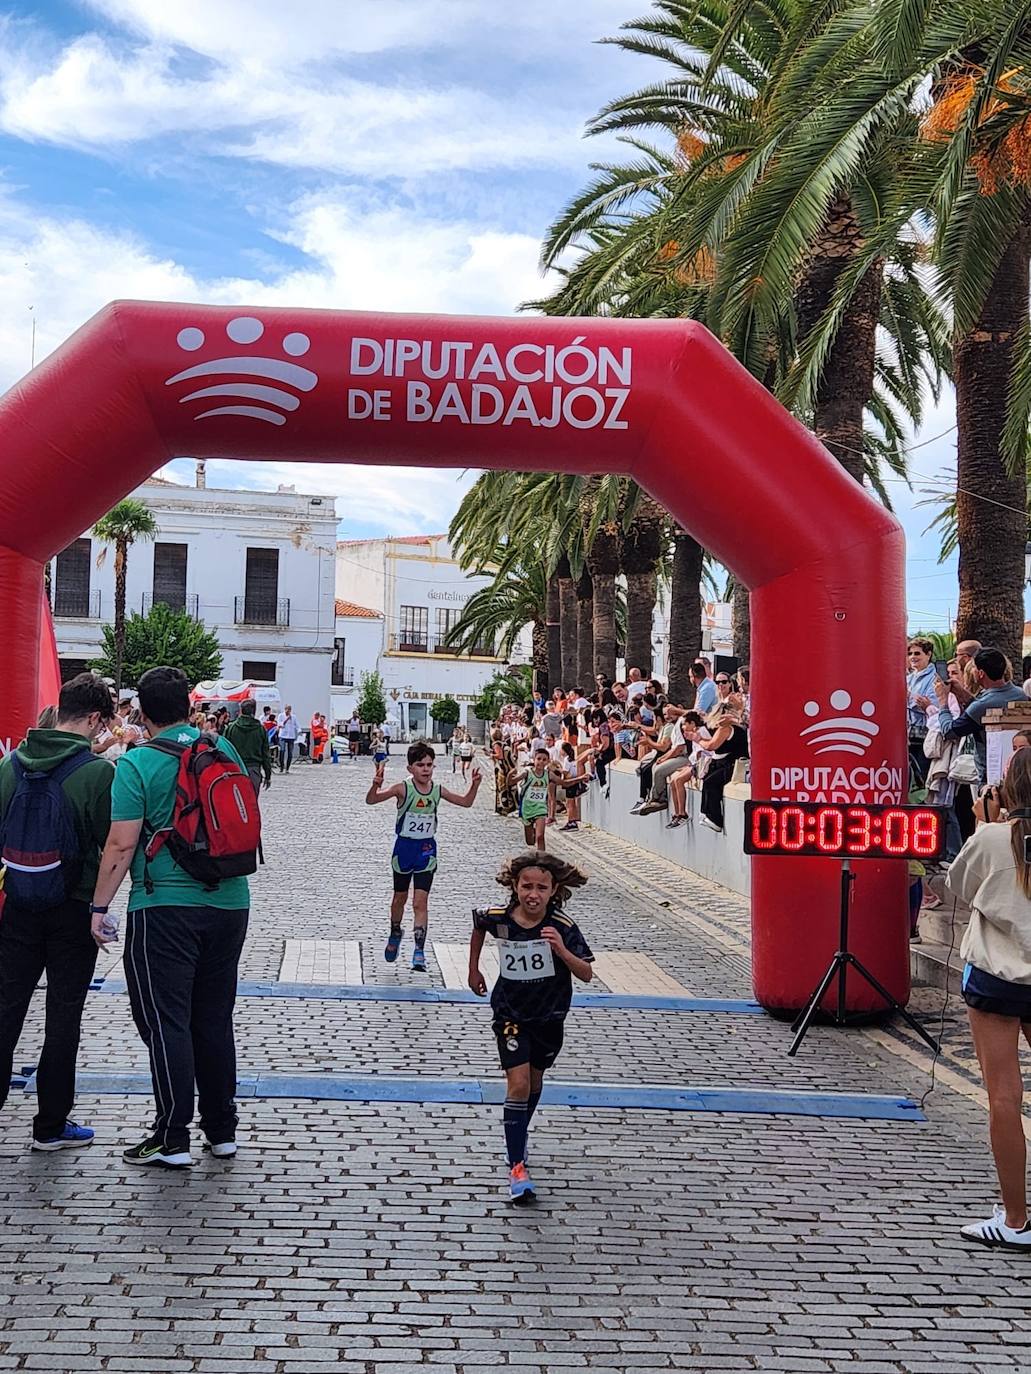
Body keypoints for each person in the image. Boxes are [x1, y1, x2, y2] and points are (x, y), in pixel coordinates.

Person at [90, 666, 251, 1168]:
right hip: (230, 902)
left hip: (164, 908)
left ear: (142, 711)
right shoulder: (221, 749)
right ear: (188, 705)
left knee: (166, 1021)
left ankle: (172, 1135)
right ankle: (221, 1129)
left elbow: (120, 844)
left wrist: (99, 908)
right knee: (213, 1016)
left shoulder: (137, 763)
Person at [0, 673, 115, 1152]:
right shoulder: (96, 772)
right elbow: (112, 843)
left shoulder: (10, 765)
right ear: (93, 719)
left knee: (5, 1012)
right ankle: (50, 1125)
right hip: (73, 910)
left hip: (18, 906)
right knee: (63, 1017)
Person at [469, 851, 594, 1203]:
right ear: (514, 886)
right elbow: (478, 924)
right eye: (526, 886)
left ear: (554, 890)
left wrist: (561, 951)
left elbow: (585, 972)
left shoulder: (563, 926)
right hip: (510, 1014)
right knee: (518, 1083)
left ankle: (518, 1132)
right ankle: (517, 1166)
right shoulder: (500, 917)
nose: (533, 894)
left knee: (534, 1082)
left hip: (549, 1017)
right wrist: (473, 969)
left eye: (541, 888)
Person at [946, 747, 1031, 1250]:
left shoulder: (994, 839)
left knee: (1003, 1097)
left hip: (998, 979)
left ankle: (1016, 1220)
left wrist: (985, 824)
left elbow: (959, 885)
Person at [366, 742, 482, 971]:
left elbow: (466, 803)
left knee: (420, 902)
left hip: (426, 851)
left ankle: (419, 950)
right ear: (410, 768)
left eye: (430, 765)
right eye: (420, 765)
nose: (426, 769)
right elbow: (372, 800)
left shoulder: (438, 790)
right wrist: (375, 786)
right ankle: (395, 930)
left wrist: (475, 786)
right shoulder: (403, 789)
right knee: (400, 898)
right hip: (403, 851)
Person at [930, 647, 1025, 788]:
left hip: (990, 774)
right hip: (1019, 769)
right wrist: (962, 695)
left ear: (980, 673)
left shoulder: (982, 705)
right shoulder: (1020, 694)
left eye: (973, 667)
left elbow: (950, 731)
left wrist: (943, 701)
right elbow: (982, 709)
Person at [510, 743, 560, 852]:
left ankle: (542, 860)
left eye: (544, 759)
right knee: (530, 841)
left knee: (540, 837)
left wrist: (581, 778)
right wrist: (510, 775)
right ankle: (532, 829)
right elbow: (511, 782)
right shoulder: (527, 773)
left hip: (540, 808)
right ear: (534, 759)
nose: (541, 762)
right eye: (539, 759)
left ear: (548, 761)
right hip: (527, 809)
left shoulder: (548, 774)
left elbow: (564, 783)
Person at [225, 699, 273, 796]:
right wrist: (268, 775)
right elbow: (265, 754)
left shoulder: (231, 728)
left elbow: (225, 751)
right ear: (254, 712)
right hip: (253, 769)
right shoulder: (260, 729)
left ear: (241, 710)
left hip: (235, 769)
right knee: (251, 803)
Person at [906, 638, 938, 784]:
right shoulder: (908, 678)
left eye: (917, 653)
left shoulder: (934, 678)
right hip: (907, 735)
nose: (913, 657)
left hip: (925, 735)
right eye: (910, 653)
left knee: (922, 776)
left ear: (928, 654)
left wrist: (909, 698)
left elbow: (932, 705)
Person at [276, 705, 300, 773]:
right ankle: (281, 767)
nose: (288, 711)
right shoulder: (281, 716)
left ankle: (287, 768)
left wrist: (299, 731)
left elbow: (297, 725)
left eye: (289, 710)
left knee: (290, 753)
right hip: (283, 735)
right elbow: (280, 725)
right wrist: (286, 719)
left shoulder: (294, 717)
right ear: (285, 709)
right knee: (282, 751)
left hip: (291, 736)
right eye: (287, 709)